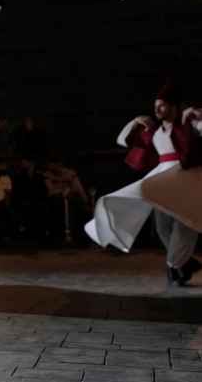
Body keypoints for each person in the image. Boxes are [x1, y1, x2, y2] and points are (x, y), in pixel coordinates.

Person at [86, 82, 202, 286]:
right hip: (161, 178)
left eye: (162, 105)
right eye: (155, 105)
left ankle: (175, 264)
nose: (157, 109)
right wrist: (135, 122)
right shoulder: (155, 130)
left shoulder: (187, 123)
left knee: (186, 222)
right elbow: (121, 140)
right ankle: (182, 263)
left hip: (186, 175)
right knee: (162, 227)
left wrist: (197, 114)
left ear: (174, 107)